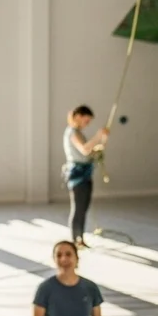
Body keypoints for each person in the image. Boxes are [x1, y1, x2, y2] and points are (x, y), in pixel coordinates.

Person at [61, 105, 108, 248]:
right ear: (78, 116)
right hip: (77, 175)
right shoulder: (72, 132)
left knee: (83, 208)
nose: (87, 124)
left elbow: (86, 151)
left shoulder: (78, 133)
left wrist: (97, 149)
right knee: (78, 208)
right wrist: (98, 136)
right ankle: (76, 240)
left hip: (85, 173)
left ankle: (79, 239)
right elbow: (84, 149)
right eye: (86, 121)